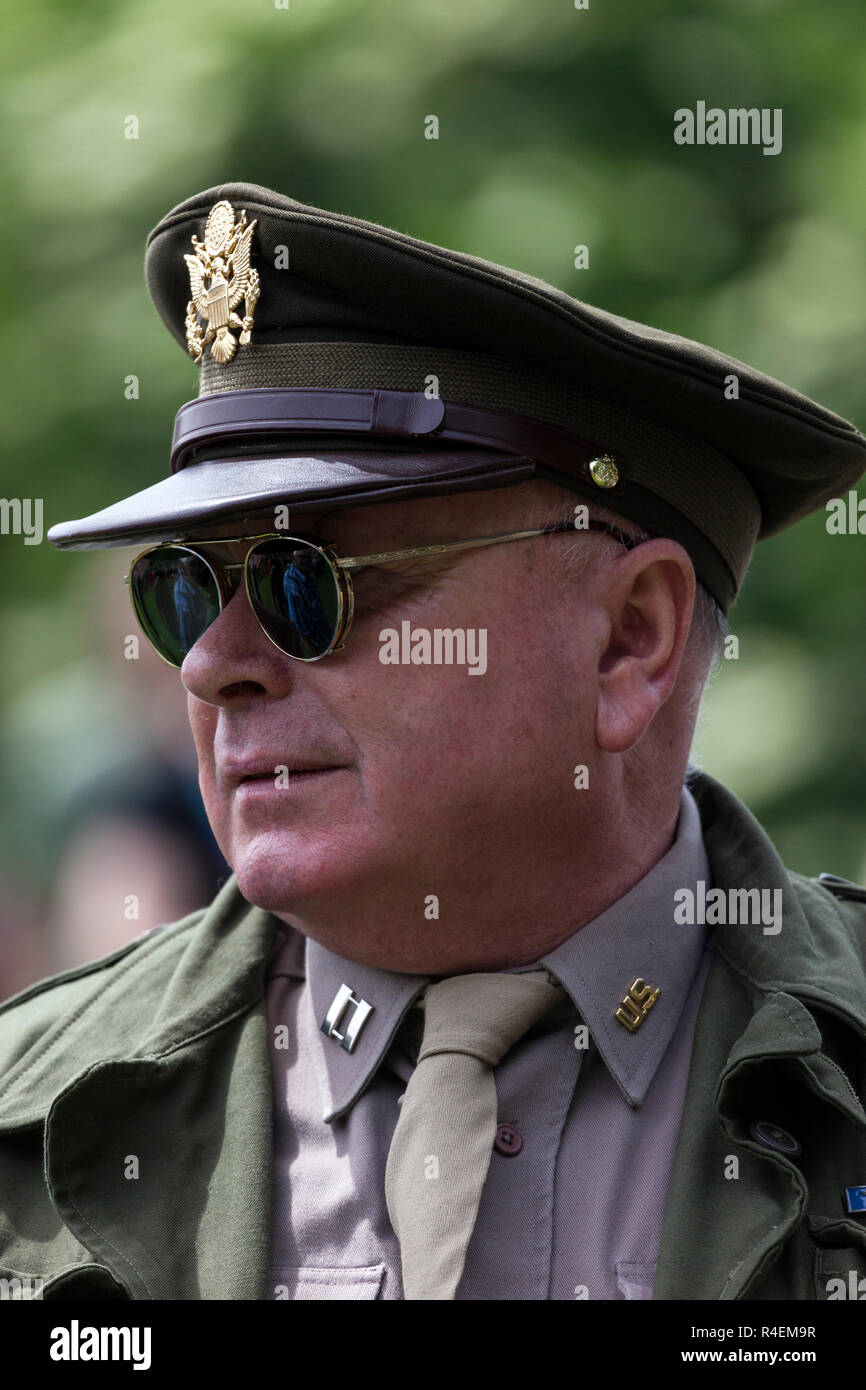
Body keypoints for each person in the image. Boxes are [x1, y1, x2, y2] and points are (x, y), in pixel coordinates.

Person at [1, 181, 865, 1302]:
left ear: (625, 640)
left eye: (307, 581)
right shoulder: (30, 1124)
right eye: (184, 588)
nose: (213, 664)